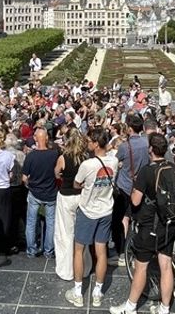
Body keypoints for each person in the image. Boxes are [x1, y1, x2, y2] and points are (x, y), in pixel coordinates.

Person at [110, 133, 175, 314]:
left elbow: (135, 200)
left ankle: (130, 306)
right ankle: (164, 307)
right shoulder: (171, 167)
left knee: (141, 267)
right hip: (169, 223)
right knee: (166, 266)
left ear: (151, 150)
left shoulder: (147, 171)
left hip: (150, 225)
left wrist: (135, 188)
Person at [65, 128, 117, 308]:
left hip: (88, 210)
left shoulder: (88, 165)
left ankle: (78, 292)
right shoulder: (114, 161)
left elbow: (76, 183)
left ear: (95, 144)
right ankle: (97, 292)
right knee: (101, 251)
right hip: (106, 209)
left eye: (89, 141)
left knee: (78, 250)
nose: (87, 144)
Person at [112, 114, 149, 264]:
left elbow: (116, 161)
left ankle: (122, 251)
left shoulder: (124, 146)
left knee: (120, 220)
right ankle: (135, 249)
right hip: (141, 186)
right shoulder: (147, 143)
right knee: (136, 219)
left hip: (125, 186)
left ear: (129, 128)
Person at [54, 128, 87, 280]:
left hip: (66, 195)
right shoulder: (85, 157)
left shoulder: (63, 157)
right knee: (81, 234)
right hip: (81, 196)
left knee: (65, 234)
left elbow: (56, 172)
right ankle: (84, 268)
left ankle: (66, 270)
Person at [22, 126, 58, 258]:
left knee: (31, 222)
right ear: (47, 138)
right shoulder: (54, 154)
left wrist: (29, 184)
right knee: (51, 223)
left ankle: (31, 249)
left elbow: (24, 178)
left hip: (35, 192)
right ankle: (48, 250)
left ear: (36, 138)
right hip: (50, 192)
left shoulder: (31, 156)